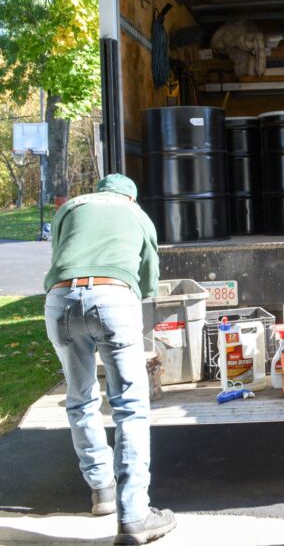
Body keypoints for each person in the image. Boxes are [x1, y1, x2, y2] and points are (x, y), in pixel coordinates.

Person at [43, 174, 175, 545]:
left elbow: (60, 255)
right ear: (130, 196)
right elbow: (149, 279)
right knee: (130, 406)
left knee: (80, 398)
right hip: (113, 299)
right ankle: (134, 517)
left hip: (59, 300)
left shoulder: (71, 206)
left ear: (101, 191)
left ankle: (100, 488)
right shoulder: (136, 214)